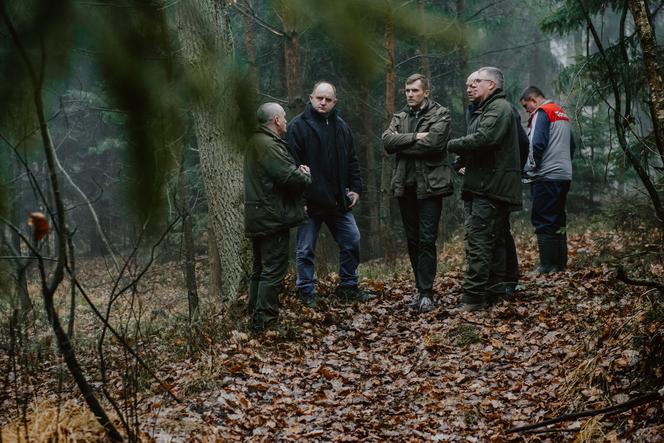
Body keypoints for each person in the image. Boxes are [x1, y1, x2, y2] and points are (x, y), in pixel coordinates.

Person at [447, 67, 522, 311]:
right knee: (494, 241)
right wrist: (463, 160)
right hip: (487, 185)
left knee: (478, 242)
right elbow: (483, 146)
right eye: (468, 84)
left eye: (476, 82)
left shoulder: (499, 109)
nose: (469, 87)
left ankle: (473, 299)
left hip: (490, 187)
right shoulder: (484, 110)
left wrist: (448, 144)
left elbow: (485, 139)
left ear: (492, 85)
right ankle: (494, 293)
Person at [287, 81, 367, 306]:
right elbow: (290, 166)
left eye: (328, 99)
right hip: (309, 203)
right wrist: (298, 199)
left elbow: (352, 161)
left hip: (337, 201)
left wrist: (356, 190)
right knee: (305, 249)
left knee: (352, 240)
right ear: (311, 98)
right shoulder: (297, 127)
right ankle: (306, 292)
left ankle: (349, 287)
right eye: (319, 98)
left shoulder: (341, 127)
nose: (323, 102)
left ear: (335, 102)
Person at [382, 73, 452, 312]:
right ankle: (420, 289)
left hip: (431, 187)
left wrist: (403, 145)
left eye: (415, 90)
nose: (410, 95)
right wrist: (413, 137)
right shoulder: (400, 116)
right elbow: (387, 142)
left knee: (426, 239)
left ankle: (426, 292)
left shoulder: (440, 113)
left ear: (426, 92)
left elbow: (433, 144)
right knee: (412, 240)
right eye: (407, 91)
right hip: (405, 186)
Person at [244, 102, 311, 331]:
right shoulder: (268, 146)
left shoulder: (257, 141)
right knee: (272, 271)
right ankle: (266, 323)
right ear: (276, 121)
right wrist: (305, 175)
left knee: (260, 270)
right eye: (283, 117)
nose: (286, 121)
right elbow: (290, 178)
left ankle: (255, 318)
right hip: (271, 217)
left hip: (259, 216)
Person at [520, 86, 574, 273]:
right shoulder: (561, 113)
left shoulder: (542, 112)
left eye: (526, 106)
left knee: (543, 218)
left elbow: (537, 143)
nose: (527, 111)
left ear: (533, 100)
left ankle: (546, 265)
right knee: (558, 218)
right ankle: (560, 264)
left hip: (546, 175)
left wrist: (528, 169)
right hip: (564, 174)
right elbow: (571, 145)